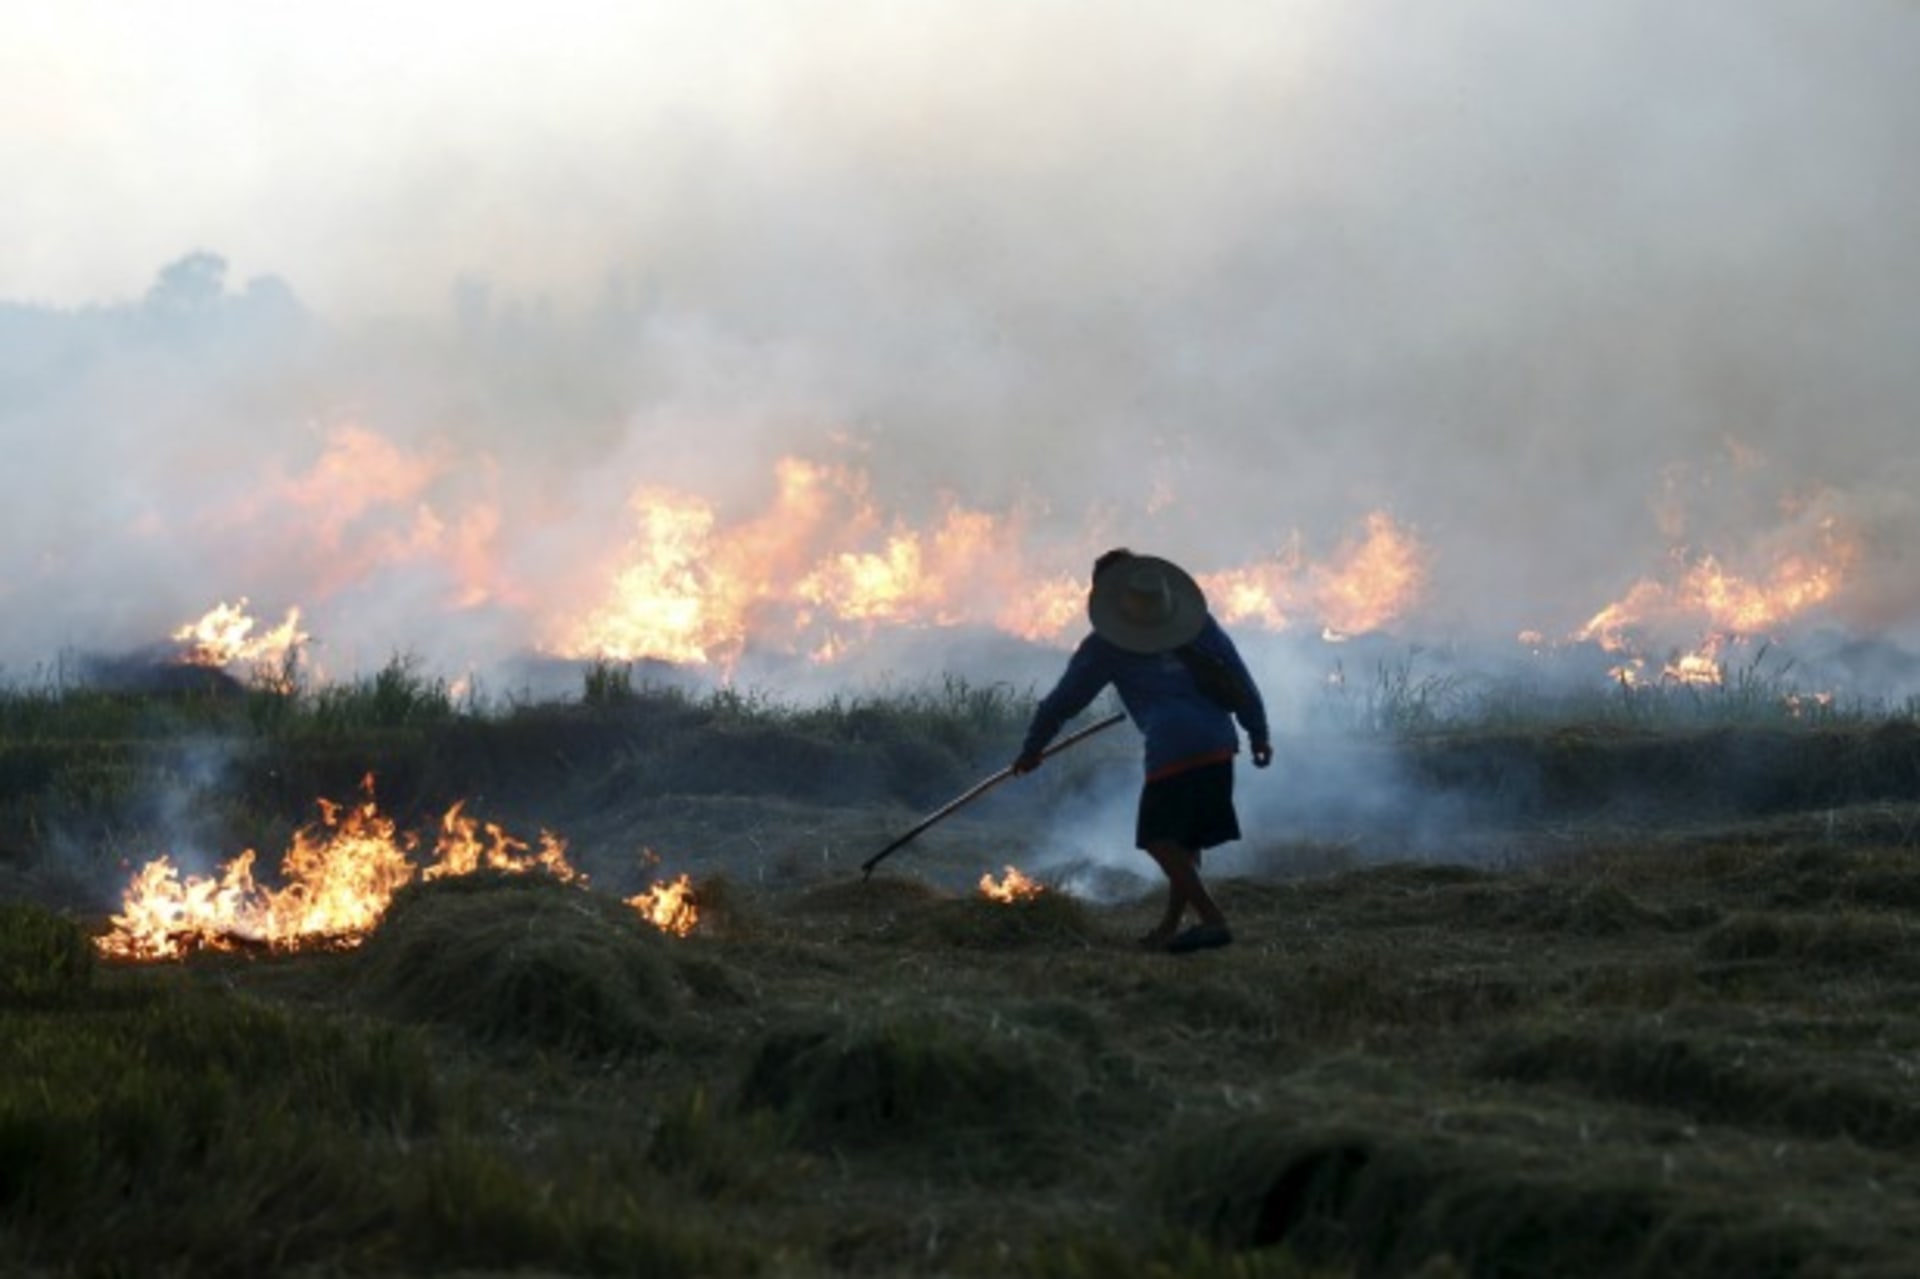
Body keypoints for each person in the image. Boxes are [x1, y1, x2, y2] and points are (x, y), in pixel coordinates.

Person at [1014, 549, 1272, 954]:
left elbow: (1062, 702)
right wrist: (1258, 732)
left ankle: (1212, 919)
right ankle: (1170, 927)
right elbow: (1240, 678)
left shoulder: (1105, 646)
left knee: (1157, 838)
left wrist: (1032, 749)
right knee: (1187, 843)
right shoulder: (1200, 626)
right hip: (1220, 742)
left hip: (1174, 747)